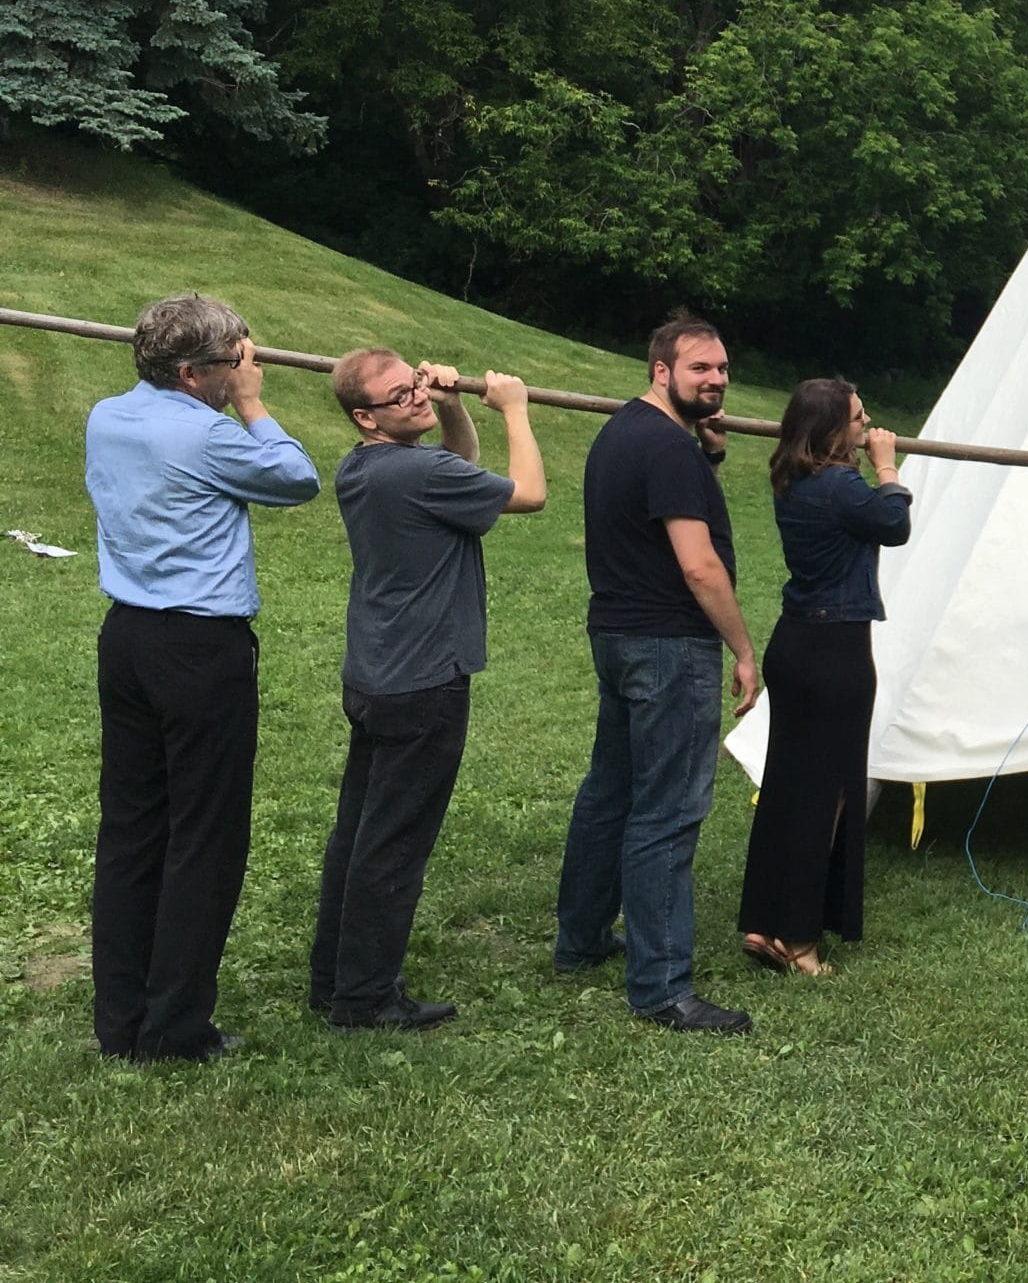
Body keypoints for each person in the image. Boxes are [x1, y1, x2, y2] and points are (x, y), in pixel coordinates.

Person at [84, 294, 320, 1061]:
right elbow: (296, 478)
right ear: (193, 373)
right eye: (233, 363)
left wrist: (235, 389)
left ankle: (121, 1021)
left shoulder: (107, 417)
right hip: (198, 649)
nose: (242, 372)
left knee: (131, 832)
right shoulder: (209, 436)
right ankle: (177, 1028)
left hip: (127, 642)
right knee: (204, 839)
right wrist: (254, 407)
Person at [310, 352, 546, 1031]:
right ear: (365, 416)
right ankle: (365, 1000)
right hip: (424, 684)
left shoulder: (364, 466)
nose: (414, 396)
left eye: (413, 384)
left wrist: (449, 405)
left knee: (358, 836)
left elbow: (458, 466)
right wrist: (516, 409)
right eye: (399, 396)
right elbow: (528, 493)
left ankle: (336, 981)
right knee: (394, 846)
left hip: (376, 678)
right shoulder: (417, 472)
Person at [555, 311, 761, 1035]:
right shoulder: (666, 450)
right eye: (700, 369)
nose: (716, 380)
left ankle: (579, 940)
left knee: (610, 792)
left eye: (722, 369)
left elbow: (658, 509)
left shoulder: (624, 434)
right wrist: (741, 648)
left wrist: (705, 453)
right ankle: (662, 988)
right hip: (670, 647)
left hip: (616, 637)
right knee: (667, 812)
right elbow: (698, 566)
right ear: (661, 370)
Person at [736, 378, 910, 977]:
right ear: (836, 429)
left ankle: (763, 920)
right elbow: (894, 524)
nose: (867, 428)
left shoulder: (791, 477)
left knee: (787, 785)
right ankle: (799, 939)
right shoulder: (840, 485)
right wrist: (887, 468)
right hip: (836, 650)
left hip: (794, 642)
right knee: (829, 794)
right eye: (860, 420)